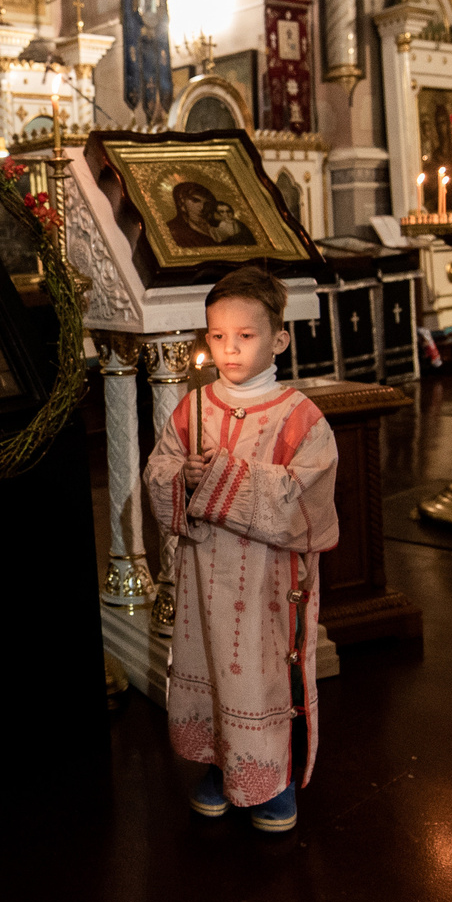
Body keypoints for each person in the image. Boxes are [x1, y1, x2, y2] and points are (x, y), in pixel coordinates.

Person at [143, 265, 340, 832]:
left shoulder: (299, 416)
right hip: (204, 577)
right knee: (208, 662)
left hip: (265, 585)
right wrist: (183, 476)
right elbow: (158, 471)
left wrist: (223, 476)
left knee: (258, 674)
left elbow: (307, 498)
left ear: (279, 339)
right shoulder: (192, 409)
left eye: (245, 336)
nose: (229, 349)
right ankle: (220, 764)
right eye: (217, 336)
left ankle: (268, 775)